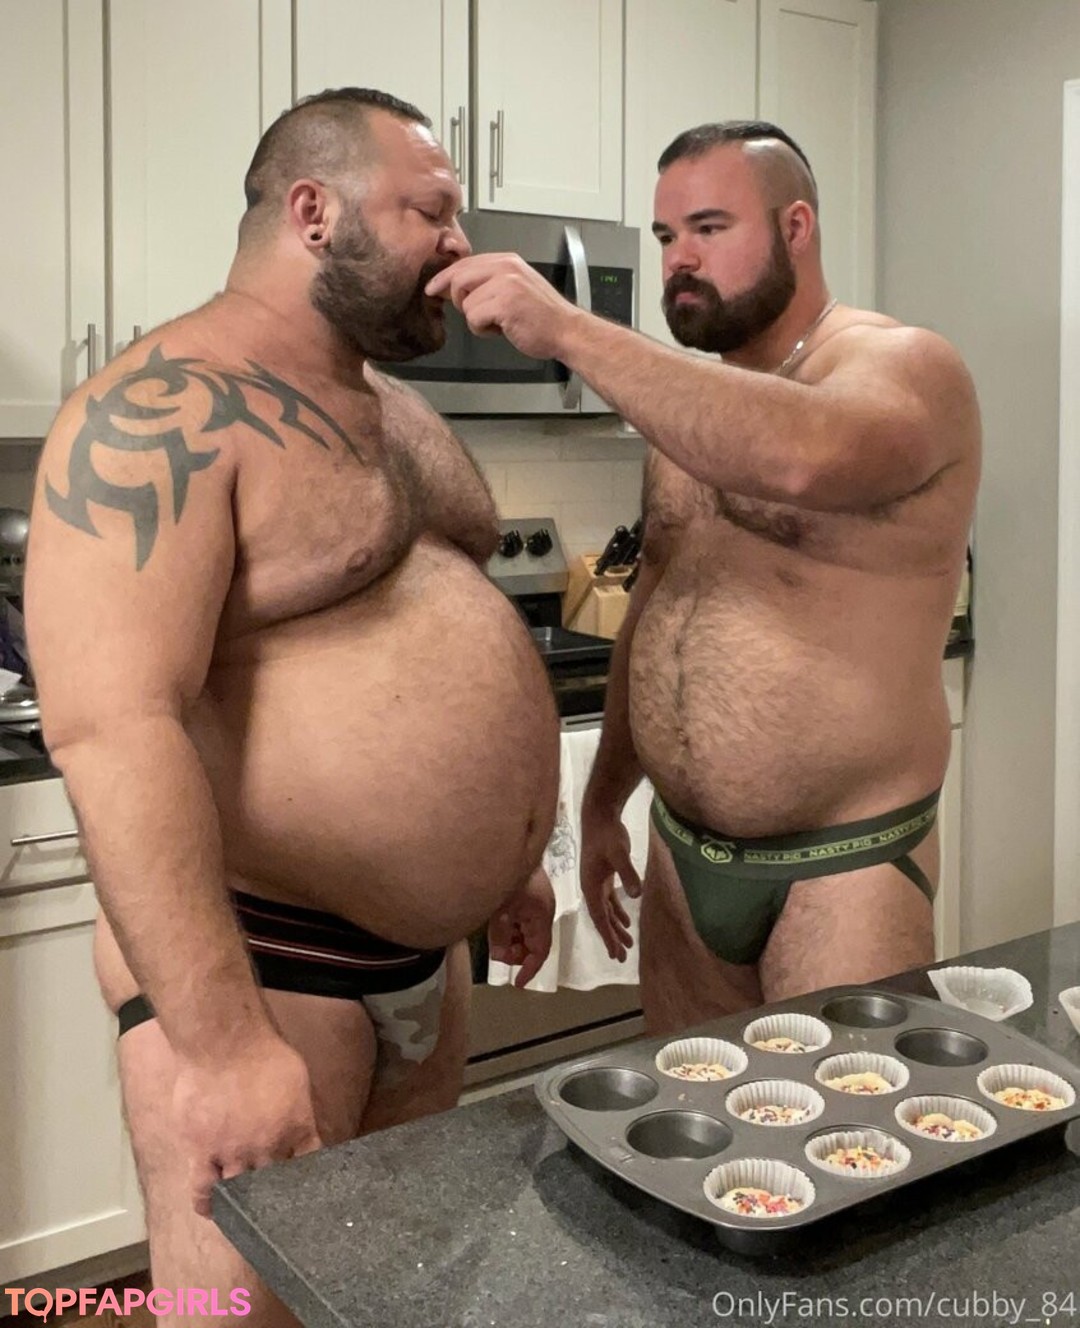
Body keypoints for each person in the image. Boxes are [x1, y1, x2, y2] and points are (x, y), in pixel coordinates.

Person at [26, 87, 559, 1325]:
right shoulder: (155, 413)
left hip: (423, 962)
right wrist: (221, 1047)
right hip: (264, 967)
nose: (460, 246)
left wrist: (506, 859)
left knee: (392, 1294)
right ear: (315, 212)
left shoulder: (393, 408)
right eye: (433, 211)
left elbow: (418, 633)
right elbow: (112, 727)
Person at [425, 120, 980, 1033]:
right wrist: (603, 799)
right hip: (683, 860)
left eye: (710, 229)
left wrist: (569, 329)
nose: (680, 259)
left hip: (841, 867)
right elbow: (657, 607)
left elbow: (800, 454)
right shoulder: (687, 413)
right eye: (665, 236)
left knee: (842, 1119)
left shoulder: (906, 366)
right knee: (694, 1115)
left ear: (796, 228)